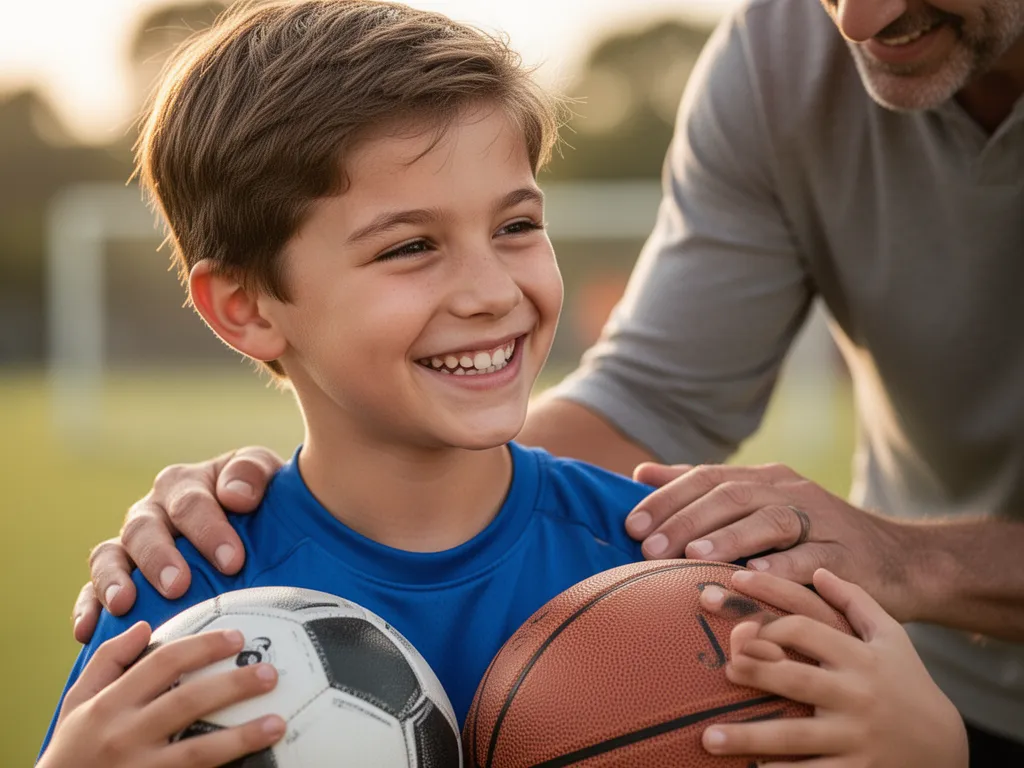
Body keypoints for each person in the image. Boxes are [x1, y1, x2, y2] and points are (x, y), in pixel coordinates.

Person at [75, 0, 1024, 763]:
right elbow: (656, 393)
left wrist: (930, 746)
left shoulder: (684, 587)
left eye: (519, 227)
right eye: (410, 247)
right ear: (244, 307)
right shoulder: (180, 607)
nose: (493, 292)